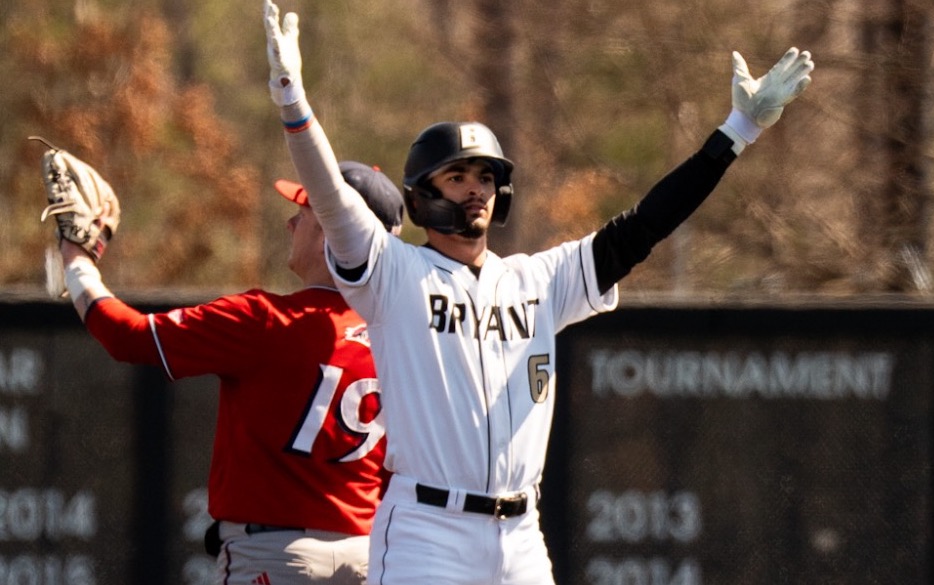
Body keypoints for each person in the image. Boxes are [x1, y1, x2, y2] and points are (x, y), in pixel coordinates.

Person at [263, 1, 814, 582]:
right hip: (427, 531)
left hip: (521, 534)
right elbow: (332, 200)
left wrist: (737, 132)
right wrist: (293, 104)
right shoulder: (393, 274)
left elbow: (644, 227)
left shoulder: (539, 281)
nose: (476, 189)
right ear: (420, 198)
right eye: (457, 176)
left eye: (486, 177)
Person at [56, 156, 405, 585]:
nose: (290, 224)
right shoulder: (404, 340)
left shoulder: (266, 321)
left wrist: (77, 258)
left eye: (303, 214)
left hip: (276, 556)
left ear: (333, 234)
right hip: (370, 558)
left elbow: (127, 336)